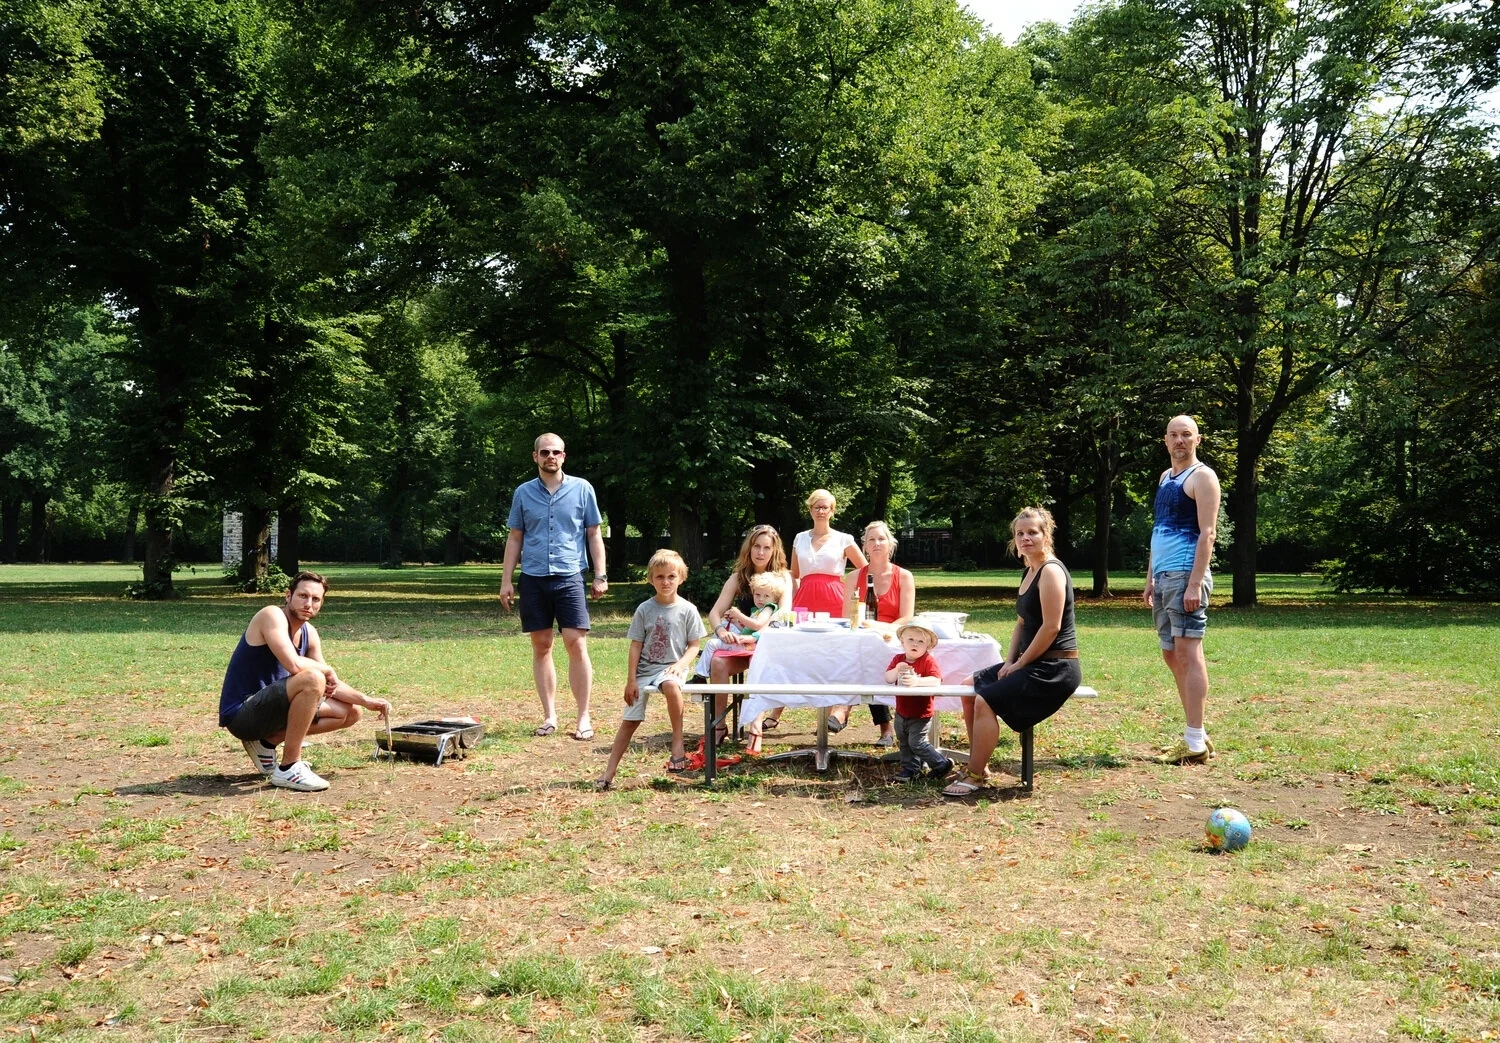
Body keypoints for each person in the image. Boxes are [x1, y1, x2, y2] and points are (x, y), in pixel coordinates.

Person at [944, 507, 1081, 797]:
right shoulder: (1029, 571)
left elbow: (1051, 629)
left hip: (1054, 669)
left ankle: (976, 775)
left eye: (1032, 532)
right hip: (1029, 662)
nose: (1025, 538)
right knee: (968, 688)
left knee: (985, 701)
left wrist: (1019, 665)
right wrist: (1008, 660)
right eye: (1020, 533)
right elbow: (1021, 623)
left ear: (1046, 535)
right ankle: (979, 763)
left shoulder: (1051, 572)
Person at [219, 571, 392, 792]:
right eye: (302, 596)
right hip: (243, 714)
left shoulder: (309, 633)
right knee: (312, 678)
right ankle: (289, 767)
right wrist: (325, 670)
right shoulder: (271, 615)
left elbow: (328, 684)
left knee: (350, 712)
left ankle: (266, 743)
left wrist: (366, 700)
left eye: (316, 599)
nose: (308, 603)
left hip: (270, 713)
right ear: (288, 595)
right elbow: (294, 665)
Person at [499, 432, 608, 741]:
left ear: (564, 456)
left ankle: (583, 716)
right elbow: (515, 538)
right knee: (542, 645)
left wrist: (600, 575)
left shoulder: (583, 489)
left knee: (576, 642)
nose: (551, 456)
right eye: (545, 452)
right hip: (533, 577)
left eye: (556, 452)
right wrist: (506, 580)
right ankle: (549, 715)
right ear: (535, 456)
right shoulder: (523, 493)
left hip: (570, 575)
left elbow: (594, 534)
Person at [1144, 414, 1221, 765]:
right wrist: (1149, 578)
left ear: (1197, 440)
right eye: (1174, 435)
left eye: (1186, 435)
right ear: (1165, 440)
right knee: (1171, 654)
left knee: (1189, 654)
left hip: (1186, 577)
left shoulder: (1202, 477)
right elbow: (1159, 530)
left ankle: (1193, 741)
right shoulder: (1164, 478)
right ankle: (1198, 734)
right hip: (1164, 578)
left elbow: (1207, 534)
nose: (1179, 440)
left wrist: (1194, 583)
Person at [595, 550, 706, 790]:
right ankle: (609, 772)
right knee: (629, 721)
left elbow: (694, 645)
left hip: (672, 668)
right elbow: (636, 646)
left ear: (681, 578)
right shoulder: (644, 609)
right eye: (660, 577)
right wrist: (631, 680)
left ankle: (678, 742)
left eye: (671, 576)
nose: (665, 582)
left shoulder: (688, 610)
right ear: (651, 579)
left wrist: (680, 665)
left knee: (670, 685)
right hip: (645, 670)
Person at [703, 524, 792, 752]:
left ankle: (756, 726)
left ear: (774, 550)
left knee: (759, 661)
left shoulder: (782, 578)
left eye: (766, 547)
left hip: (767, 646)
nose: (761, 552)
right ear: (749, 548)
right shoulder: (738, 578)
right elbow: (715, 612)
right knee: (717, 661)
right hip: (740, 647)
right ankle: (719, 725)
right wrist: (721, 631)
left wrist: (758, 634)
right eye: (756, 546)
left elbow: (783, 613)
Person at [788, 489, 867, 733]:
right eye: (817, 507)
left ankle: (839, 710)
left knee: (839, 653)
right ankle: (788, 708)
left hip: (835, 598)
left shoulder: (844, 538)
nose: (821, 511)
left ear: (833, 511)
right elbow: (794, 575)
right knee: (804, 654)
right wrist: (788, 605)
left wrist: (857, 600)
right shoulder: (799, 538)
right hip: (804, 599)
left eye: (826, 507)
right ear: (810, 509)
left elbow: (864, 570)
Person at [841, 519, 915, 746]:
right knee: (861, 654)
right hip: (860, 638)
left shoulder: (904, 576)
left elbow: (906, 618)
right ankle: (844, 709)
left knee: (876, 655)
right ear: (864, 546)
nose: (876, 543)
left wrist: (880, 629)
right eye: (871, 539)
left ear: (890, 544)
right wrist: (867, 629)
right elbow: (847, 618)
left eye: (881, 538)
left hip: (893, 637)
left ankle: (846, 711)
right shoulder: (853, 578)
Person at [885, 622, 954, 783]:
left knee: (917, 743)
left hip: (921, 712)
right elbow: (888, 678)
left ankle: (941, 764)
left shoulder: (927, 661)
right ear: (902, 642)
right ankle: (911, 769)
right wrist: (897, 669)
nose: (915, 644)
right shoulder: (898, 659)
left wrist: (917, 681)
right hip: (902, 710)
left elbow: (936, 681)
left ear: (928, 646)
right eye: (910, 640)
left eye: (920, 641)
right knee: (904, 741)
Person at [695, 570, 787, 671]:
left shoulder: (768, 608)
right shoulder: (757, 610)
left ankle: (700, 675)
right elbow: (748, 629)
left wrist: (739, 615)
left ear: (775, 599)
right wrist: (735, 622)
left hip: (751, 646)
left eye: (766, 596)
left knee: (711, 644)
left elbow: (757, 625)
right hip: (747, 641)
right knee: (724, 625)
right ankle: (707, 658)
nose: (761, 599)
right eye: (757, 594)